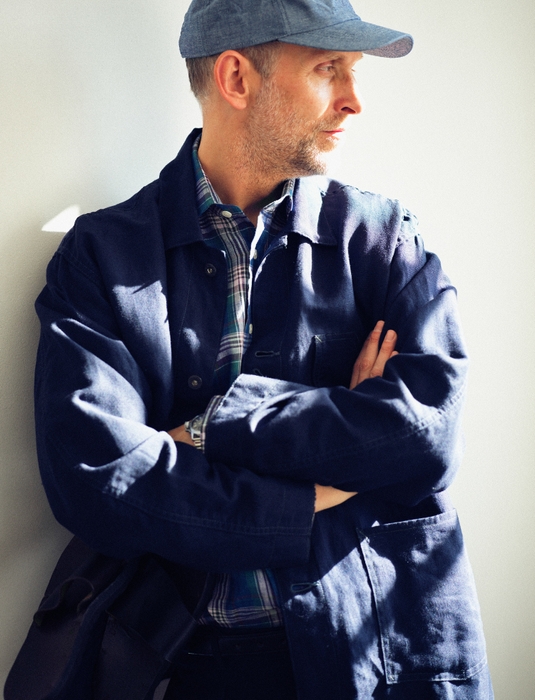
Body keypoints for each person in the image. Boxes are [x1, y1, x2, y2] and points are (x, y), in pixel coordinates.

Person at [32, 0, 492, 698]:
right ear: (236, 78)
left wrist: (209, 430)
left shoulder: (384, 240)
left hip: (379, 656)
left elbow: (426, 434)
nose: (355, 100)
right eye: (328, 68)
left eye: (354, 70)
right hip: (186, 663)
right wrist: (318, 485)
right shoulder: (102, 256)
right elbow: (97, 480)